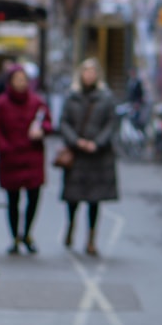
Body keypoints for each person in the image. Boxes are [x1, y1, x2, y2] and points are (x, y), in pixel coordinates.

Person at [0, 65, 53, 254]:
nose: (21, 83)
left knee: (33, 197)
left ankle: (28, 233)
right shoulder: (1, 104)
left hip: (32, 157)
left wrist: (42, 131)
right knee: (13, 200)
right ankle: (15, 235)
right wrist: (4, 147)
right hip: (11, 158)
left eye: (23, 80)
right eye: (17, 80)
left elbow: (48, 122)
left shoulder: (37, 102)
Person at [58, 58, 119, 256]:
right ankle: (70, 227)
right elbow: (64, 122)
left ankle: (91, 238)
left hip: (97, 157)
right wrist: (76, 141)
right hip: (77, 155)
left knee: (95, 200)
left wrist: (97, 143)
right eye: (86, 72)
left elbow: (111, 124)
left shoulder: (106, 98)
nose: (89, 76)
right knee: (73, 198)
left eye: (93, 72)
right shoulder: (72, 96)